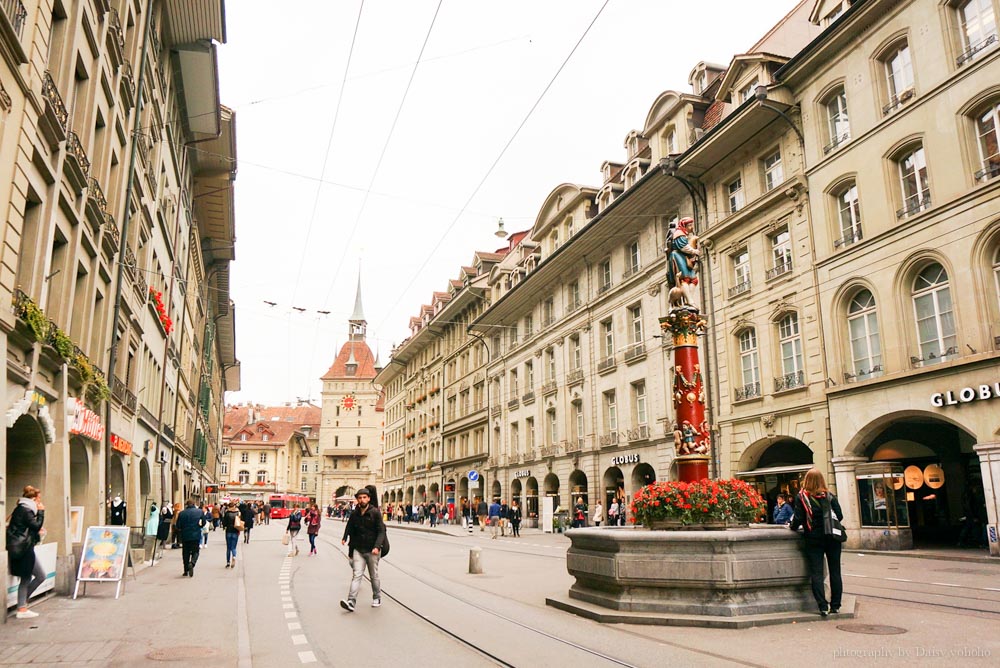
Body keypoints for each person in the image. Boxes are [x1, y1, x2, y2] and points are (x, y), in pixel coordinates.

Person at [790, 468, 844, 616]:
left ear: (806, 481)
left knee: (816, 572)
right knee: (835, 571)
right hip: (832, 538)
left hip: (813, 538)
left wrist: (792, 527)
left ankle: (822, 606)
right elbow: (839, 515)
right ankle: (836, 605)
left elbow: (798, 519)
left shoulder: (802, 497)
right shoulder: (829, 496)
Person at [340, 488, 387, 612]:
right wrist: (345, 537)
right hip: (359, 549)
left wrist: (377, 546)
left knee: (373, 576)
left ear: (369, 499)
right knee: (357, 575)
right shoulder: (355, 513)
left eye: (364, 497)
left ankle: (377, 597)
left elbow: (381, 531)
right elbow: (349, 526)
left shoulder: (375, 513)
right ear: (357, 499)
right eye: (360, 498)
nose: (362, 500)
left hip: (372, 550)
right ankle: (351, 601)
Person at [6, 486, 46, 619]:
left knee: (39, 575)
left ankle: (23, 603)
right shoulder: (26, 510)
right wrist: (41, 512)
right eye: (39, 499)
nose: (40, 503)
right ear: (33, 499)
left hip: (24, 547)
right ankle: (22, 608)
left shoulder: (21, 509)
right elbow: (35, 526)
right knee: (27, 577)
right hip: (23, 548)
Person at [176, 499, 205, 577]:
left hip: (185, 536)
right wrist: (200, 526)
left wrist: (182, 529)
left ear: (186, 505)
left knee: (186, 553)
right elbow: (204, 522)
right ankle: (192, 563)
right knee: (196, 551)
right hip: (196, 535)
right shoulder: (199, 512)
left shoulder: (182, 513)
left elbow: (178, 526)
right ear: (194, 504)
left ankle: (186, 571)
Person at [222, 501, 241, 568]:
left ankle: (228, 562)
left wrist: (224, 526)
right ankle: (234, 556)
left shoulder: (227, 513)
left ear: (229, 507)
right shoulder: (238, 513)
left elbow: (224, 522)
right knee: (234, 547)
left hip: (228, 531)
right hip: (235, 531)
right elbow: (240, 521)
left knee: (228, 548)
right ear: (234, 506)